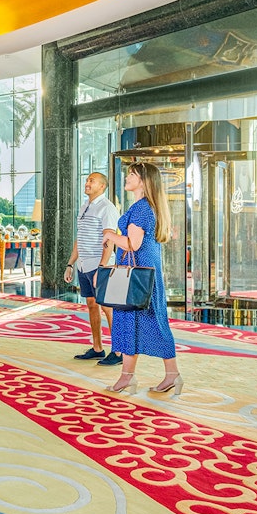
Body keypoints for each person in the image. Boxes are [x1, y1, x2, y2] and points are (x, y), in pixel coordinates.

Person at [100, 162, 183, 395]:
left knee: (135, 320)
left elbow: (132, 244)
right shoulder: (147, 206)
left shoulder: (141, 209)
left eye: (132, 175)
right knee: (149, 321)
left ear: (144, 181)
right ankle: (164, 375)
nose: (127, 177)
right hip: (146, 271)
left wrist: (110, 235)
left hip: (136, 273)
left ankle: (139, 377)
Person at [64, 172, 120, 364]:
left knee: (107, 307)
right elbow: (80, 238)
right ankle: (97, 348)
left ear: (102, 186)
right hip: (84, 264)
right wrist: (70, 264)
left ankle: (119, 352)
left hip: (99, 264)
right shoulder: (85, 206)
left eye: (91, 181)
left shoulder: (107, 208)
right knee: (91, 304)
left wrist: (102, 268)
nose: (87, 183)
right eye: (87, 180)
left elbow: (109, 240)